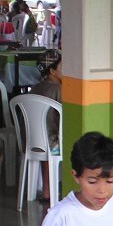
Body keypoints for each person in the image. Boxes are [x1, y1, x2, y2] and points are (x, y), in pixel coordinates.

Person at [30, 49, 63, 202]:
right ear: (52, 71)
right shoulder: (59, 90)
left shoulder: (35, 88)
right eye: (63, 67)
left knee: (50, 140)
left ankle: (46, 191)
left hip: (32, 141)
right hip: (52, 143)